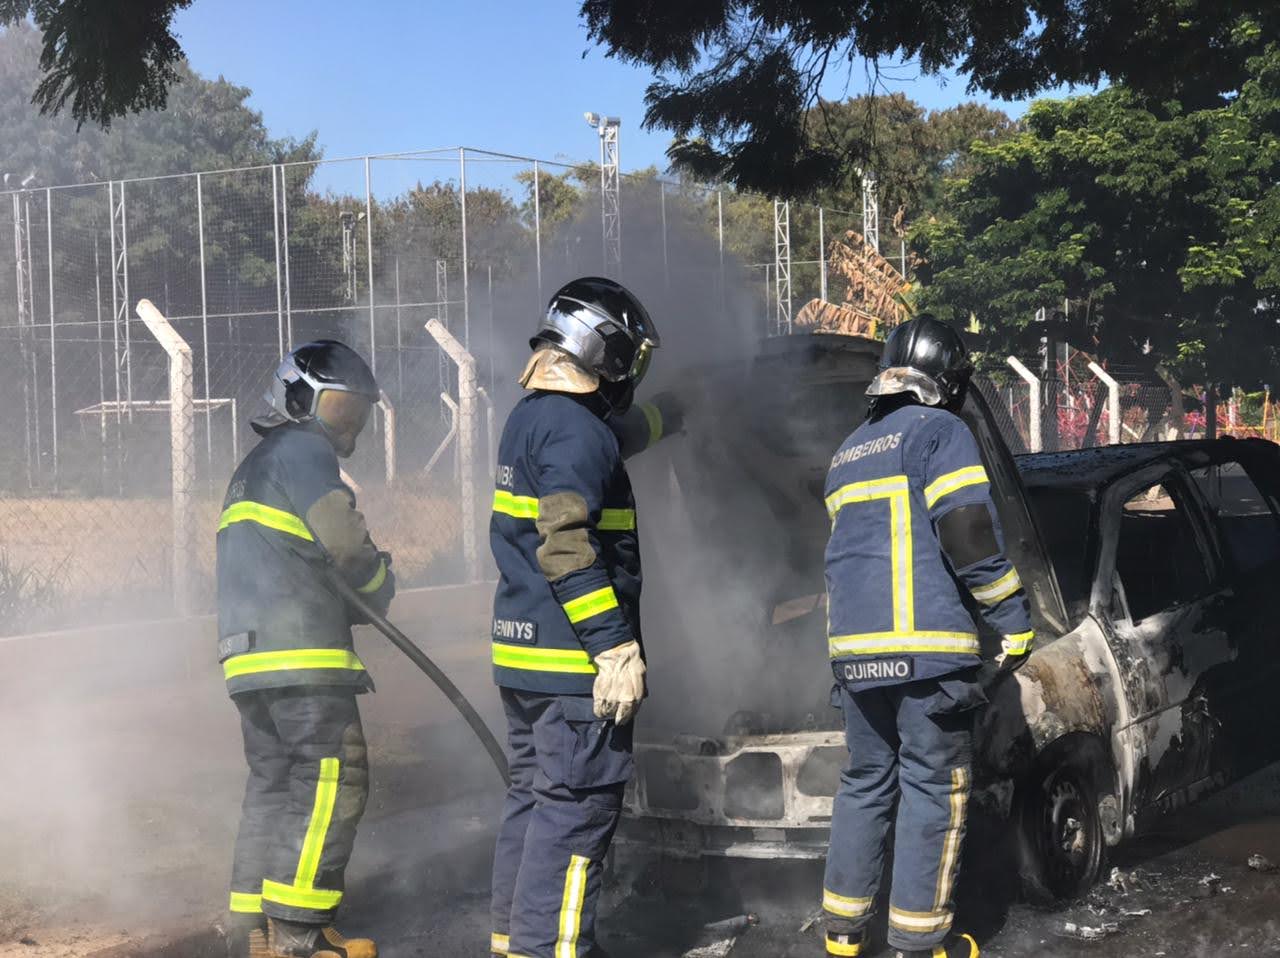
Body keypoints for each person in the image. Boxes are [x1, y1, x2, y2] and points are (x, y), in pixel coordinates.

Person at [820, 316, 1034, 958]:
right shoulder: (941, 431)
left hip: (855, 662)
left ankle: (843, 934)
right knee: (933, 789)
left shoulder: (846, 451)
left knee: (864, 784)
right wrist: (1011, 620)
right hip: (927, 659)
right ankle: (921, 944)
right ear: (948, 381)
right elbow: (967, 532)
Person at [488, 277, 679, 958]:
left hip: (524, 658)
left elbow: (609, 440)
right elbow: (566, 545)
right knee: (576, 816)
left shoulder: (533, 418)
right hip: (575, 669)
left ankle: (515, 941)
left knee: (534, 801)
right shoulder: (577, 432)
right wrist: (613, 649)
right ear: (608, 352)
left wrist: (670, 416)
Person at [218, 340, 394, 958]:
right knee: (332, 777)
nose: (347, 427)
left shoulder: (253, 467)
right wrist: (381, 584)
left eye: (357, 413)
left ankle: (252, 930)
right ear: (295, 397)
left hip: (248, 658)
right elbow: (346, 546)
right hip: (301, 654)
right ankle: (300, 934)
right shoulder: (303, 450)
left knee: (273, 783)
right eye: (339, 408)